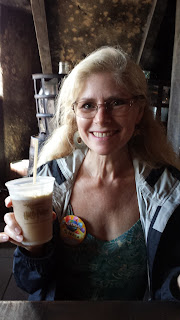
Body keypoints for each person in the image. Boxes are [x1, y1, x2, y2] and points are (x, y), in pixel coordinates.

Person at [1, 46, 180, 301]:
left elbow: (167, 288)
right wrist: (32, 248)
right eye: (87, 105)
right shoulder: (49, 182)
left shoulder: (169, 191)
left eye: (117, 102)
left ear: (139, 111)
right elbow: (29, 283)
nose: (101, 118)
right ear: (75, 114)